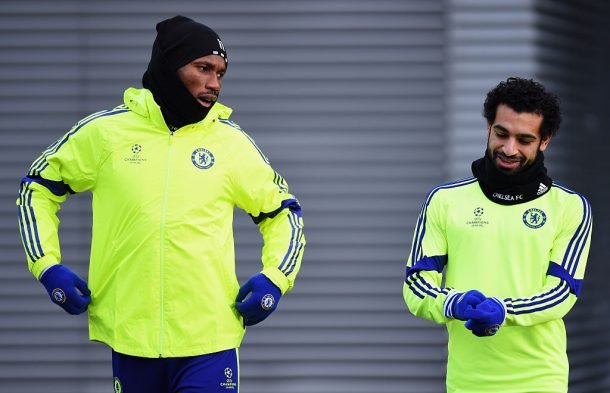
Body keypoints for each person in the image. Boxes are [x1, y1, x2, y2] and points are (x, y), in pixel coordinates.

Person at [17, 15, 305, 393]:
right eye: (203, 68)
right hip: (130, 338)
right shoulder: (105, 134)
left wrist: (275, 278)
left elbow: (283, 213)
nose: (214, 83)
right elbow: (35, 189)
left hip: (210, 342)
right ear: (170, 66)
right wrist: (47, 266)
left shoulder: (231, 144)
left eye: (221, 72)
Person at [402, 77, 592, 393]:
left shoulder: (570, 207)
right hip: (467, 382)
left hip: (540, 380)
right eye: (501, 134)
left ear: (545, 141)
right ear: (488, 126)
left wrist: (504, 311)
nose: (509, 148)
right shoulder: (445, 200)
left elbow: (561, 293)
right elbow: (416, 284)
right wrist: (454, 303)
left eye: (524, 139)